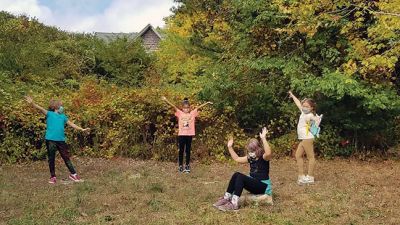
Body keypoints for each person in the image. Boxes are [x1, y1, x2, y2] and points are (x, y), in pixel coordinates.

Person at [25, 96, 89, 184]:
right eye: (60, 106)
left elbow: (71, 124)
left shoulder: (63, 117)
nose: (62, 107)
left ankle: (73, 175)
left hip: (61, 140)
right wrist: (32, 103)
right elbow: (39, 108)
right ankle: (53, 177)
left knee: (66, 157)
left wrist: (82, 129)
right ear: (55, 107)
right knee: (51, 158)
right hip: (50, 140)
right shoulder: (49, 114)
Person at [213, 127, 272, 211]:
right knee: (236, 174)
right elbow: (237, 159)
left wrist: (263, 138)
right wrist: (230, 147)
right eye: (249, 151)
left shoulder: (264, 157)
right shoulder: (251, 158)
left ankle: (234, 204)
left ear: (258, 149)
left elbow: (268, 153)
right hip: (254, 185)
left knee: (240, 176)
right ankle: (227, 198)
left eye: (252, 150)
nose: (250, 153)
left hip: (263, 187)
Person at [162, 96, 212, 173]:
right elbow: (173, 106)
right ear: (182, 108)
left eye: (187, 108)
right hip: (181, 135)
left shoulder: (192, 114)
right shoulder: (180, 113)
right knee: (181, 151)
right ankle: (180, 166)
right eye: (185, 108)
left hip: (189, 135)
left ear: (189, 108)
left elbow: (198, 107)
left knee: (188, 151)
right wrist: (166, 100)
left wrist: (207, 103)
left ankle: (187, 166)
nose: (186, 109)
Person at [288, 91, 321, 185]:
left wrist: (315, 120)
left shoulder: (310, 115)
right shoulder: (303, 112)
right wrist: (293, 95)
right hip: (304, 138)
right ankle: (301, 176)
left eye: (307, 106)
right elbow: (298, 103)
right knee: (298, 155)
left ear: (311, 108)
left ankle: (310, 177)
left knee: (311, 157)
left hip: (307, 138)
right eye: (304, 106)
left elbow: (316, 120)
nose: (304, 107)